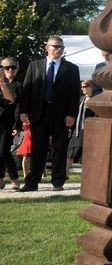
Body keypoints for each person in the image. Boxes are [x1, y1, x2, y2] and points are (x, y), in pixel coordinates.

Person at [18, 36, 81, 192]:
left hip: (61, 115)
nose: (59, 49)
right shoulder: (35, 66)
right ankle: (32, 182)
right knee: (38, 148)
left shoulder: (71, 69)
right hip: (39, 113)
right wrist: (23, 111)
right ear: (46, 47)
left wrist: (72, 114)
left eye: (61, 47)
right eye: (55, 46)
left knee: (60, 147)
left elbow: (74, 94)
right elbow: (27, 90)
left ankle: (58, 181)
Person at [0, 57, 22, 190]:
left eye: (13, 67)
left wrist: (17, 125)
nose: (10, 70)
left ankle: (14, 179)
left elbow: (17, 104)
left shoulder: (18, 85)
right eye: (6, 68)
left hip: (9, 123)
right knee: (3, 152)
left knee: (3, 151)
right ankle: (2, 180)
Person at [66, 79, 96, 176]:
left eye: (84, 87)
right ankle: (64, 175)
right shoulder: (81, 99)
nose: (82, 89)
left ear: (91, 87)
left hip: (88, 130)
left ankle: (87, 176)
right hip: (77, 129)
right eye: (81, 87)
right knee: (70, 152)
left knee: (86, 154)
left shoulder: (95, 100)